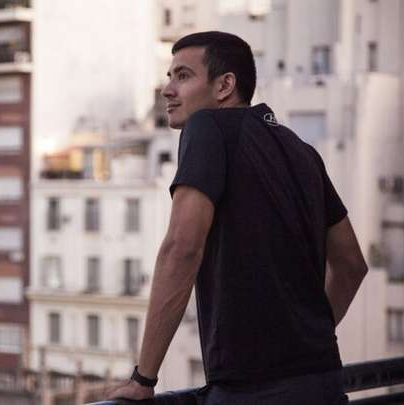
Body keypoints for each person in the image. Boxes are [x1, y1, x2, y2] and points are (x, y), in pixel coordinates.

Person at [105, 31, 368, 404]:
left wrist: (143, 378)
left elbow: (181, 249)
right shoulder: (302, 151)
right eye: (169, 76)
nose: (167, 90)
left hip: (252, 390)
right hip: (322, 381)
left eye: (183, 76)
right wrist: (309, 339)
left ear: (224, 85)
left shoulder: (207, 127)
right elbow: (352, 264)